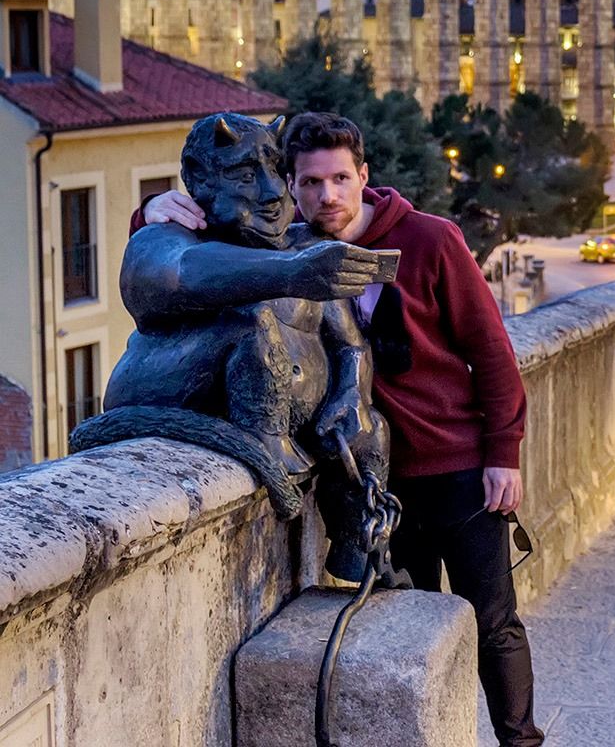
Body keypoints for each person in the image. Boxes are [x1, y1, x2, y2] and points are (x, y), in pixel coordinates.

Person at [142, 113, 544, 746]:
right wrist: (157, 210)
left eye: (338, 179)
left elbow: (492, 354)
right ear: (291, 185)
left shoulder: (432, 240)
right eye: (308, 182)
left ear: (364, 176)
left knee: (493, 622)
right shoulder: (292, 249)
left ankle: (520, 741)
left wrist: (504, 454)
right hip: (376, 483)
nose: (324, 196)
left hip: (459, 470)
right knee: (411, 624)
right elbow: (185, 263)